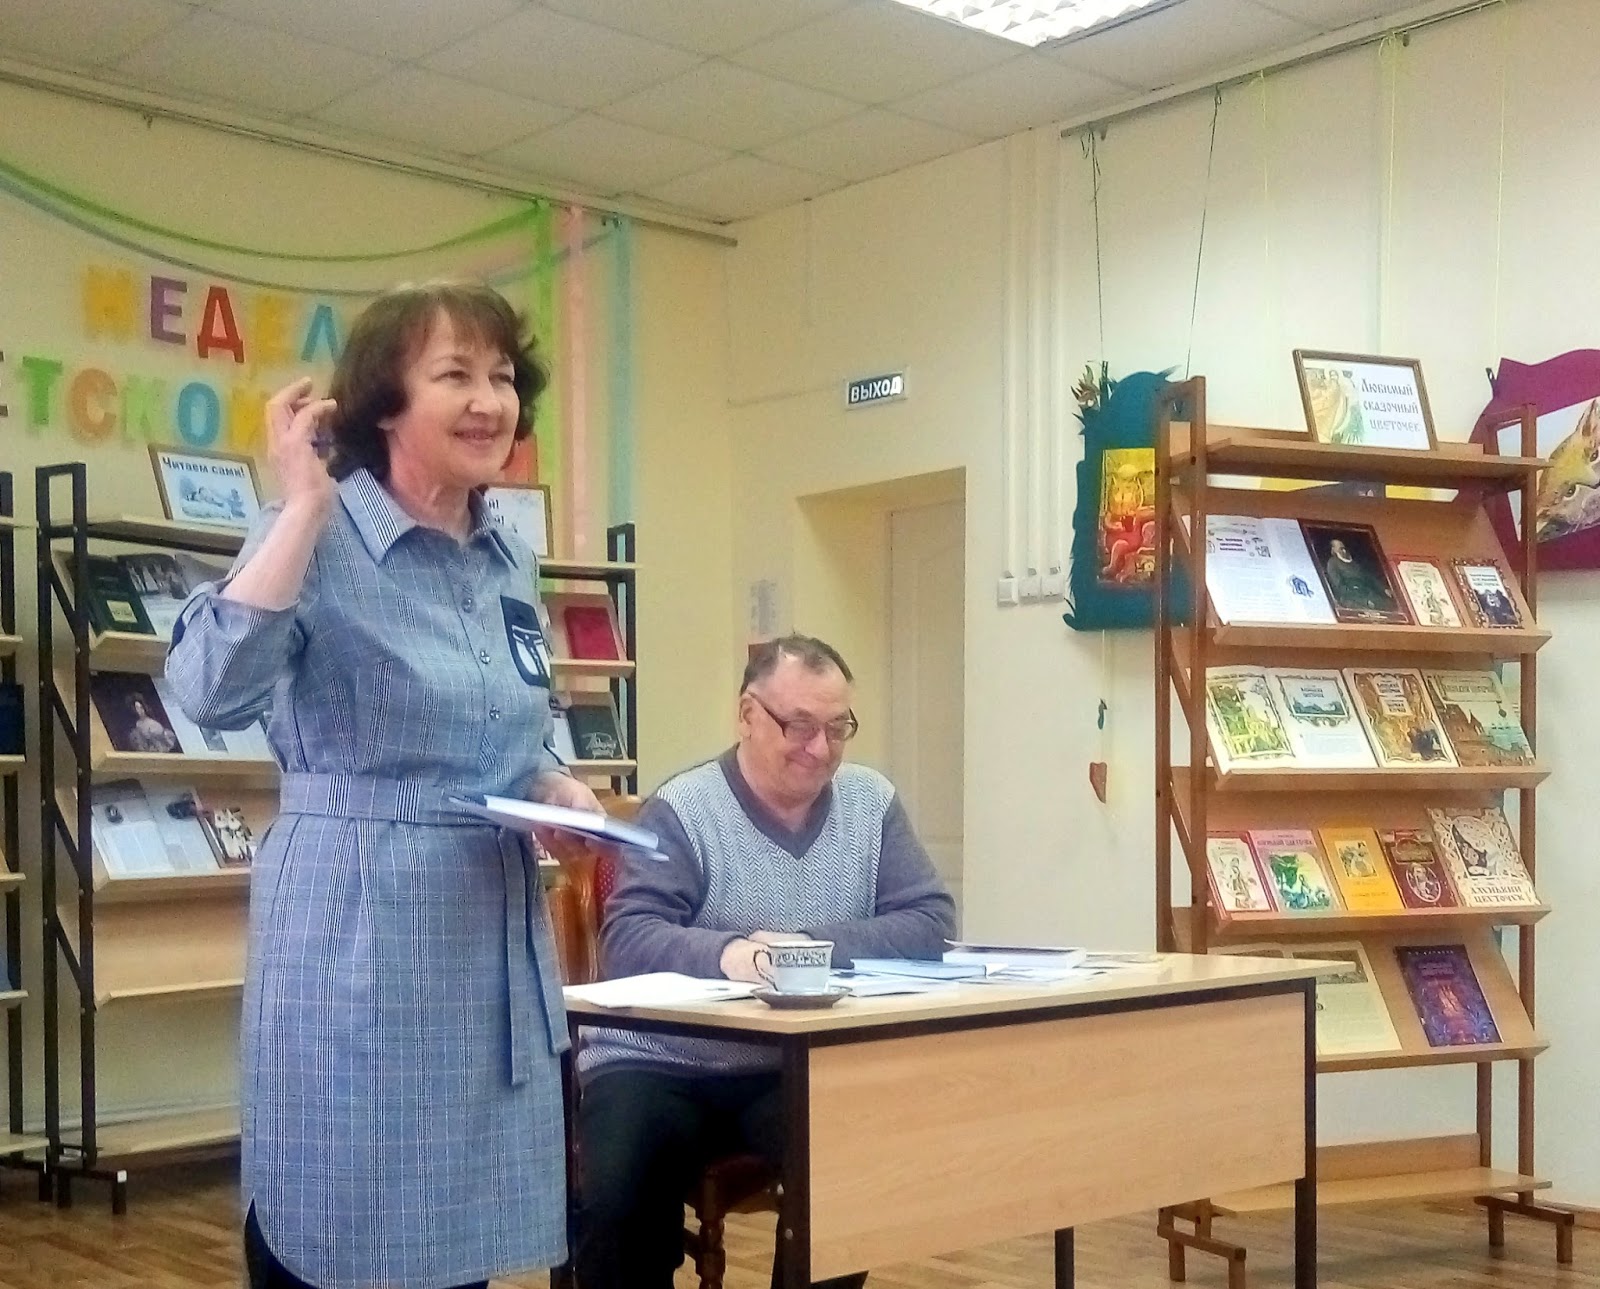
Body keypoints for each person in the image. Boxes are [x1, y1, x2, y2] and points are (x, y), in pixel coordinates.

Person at [165, 281, 599, 1289]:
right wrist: (302, 507)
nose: (489, 400)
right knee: (340, 1227)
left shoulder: (506, 556)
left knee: (456, 1251)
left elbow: (503, 731)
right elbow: (207, 690)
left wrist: (555, 785)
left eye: (502, 375)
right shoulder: (314, 531)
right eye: (455, 373)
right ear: (384, 402)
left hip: (484, 942)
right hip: (355, 930)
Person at [574, 634, 958, 1289]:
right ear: (747, 715)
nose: (820, 748)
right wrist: (733, 954)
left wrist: (803, 949)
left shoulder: (872, 803)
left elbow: (930, 920)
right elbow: (630, 938)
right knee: (618, 1191)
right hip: (660, 1059)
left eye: (837, 728)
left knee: (850, 1169)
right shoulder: (684, 807)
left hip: (793, 1060)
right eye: (799, 726)